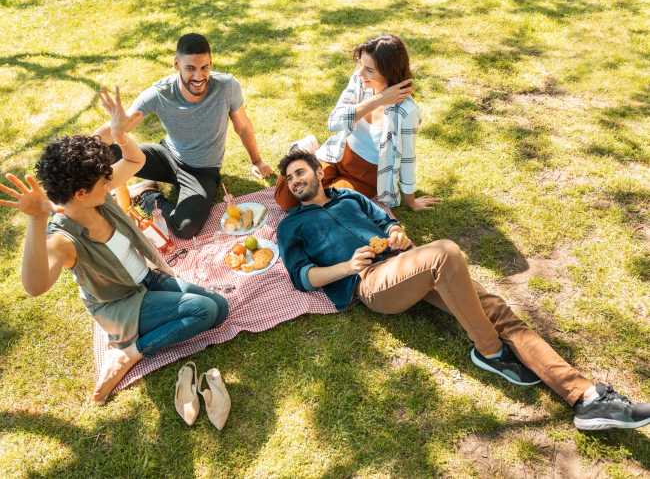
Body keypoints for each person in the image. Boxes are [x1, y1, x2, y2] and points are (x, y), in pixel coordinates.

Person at [276, 150, 650, 431]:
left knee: (497, 310)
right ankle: (489, 350)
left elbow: (387, 221)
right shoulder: (291, 226)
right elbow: (302, 277)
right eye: (289, 179)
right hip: (372, 283)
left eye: (299, 172)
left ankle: (586, 396)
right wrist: (346, 267)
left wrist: (395, 232)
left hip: (408, 263)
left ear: (318, 173)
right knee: (446, 253)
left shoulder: (349, 196)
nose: (294, 182)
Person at [0, 88, 228, 404]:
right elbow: (34, 286)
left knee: (220, 309)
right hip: (121, 303)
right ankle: (130, 352)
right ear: (80, 193)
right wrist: (37, 220)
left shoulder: (99, 198)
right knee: (202, 310)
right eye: (104, 181)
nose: (111, 184)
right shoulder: (64, 239)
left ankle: (142, 333)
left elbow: (136, 158)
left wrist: (119, 134)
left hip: (147, 279)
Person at [95, 33, 273, 239]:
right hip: (167, 156)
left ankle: (147, 195)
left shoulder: (227, 87)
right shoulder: (160, 92)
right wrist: (79, 151)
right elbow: (121, 124)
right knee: (103, 151)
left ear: (211, 63)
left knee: (185, 228)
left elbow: (242, 127)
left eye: (205, 67)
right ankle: (127, 187)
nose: (199, 76)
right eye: (190, 68)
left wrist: (257, 161)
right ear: (176, 64)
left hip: (202, 171)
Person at [275, 34, 438, 212]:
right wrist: (378, 100)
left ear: (389, 71)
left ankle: (307, 155)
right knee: (285, 198)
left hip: (365, 174)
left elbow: (407, 158)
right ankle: (304, 150)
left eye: (369, 69)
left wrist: (411, 201)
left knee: (326, 207)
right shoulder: (360, 81)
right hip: (338, 152)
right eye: (360, 64)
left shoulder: (407, 111)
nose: (360, 73)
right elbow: (334, 122)